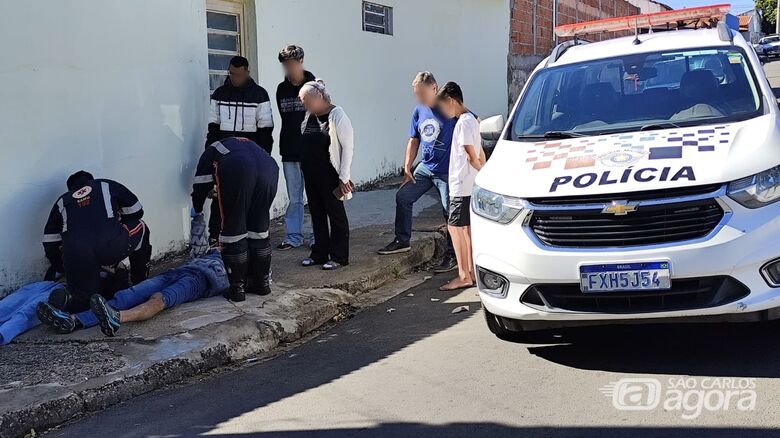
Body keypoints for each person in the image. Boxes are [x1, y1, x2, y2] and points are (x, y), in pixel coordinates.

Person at [35, 250, 228, 336]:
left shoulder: (242, 254)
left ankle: (117, 318)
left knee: (159, 299)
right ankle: (73, 320)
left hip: (200, 280)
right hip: (179, 271)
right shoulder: (223, 244)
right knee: (129, 294)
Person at [377, 72, 457, 274]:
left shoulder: (450, 106)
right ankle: (402, 240)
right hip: (425, 168)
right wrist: (407, 166)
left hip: (446, 171)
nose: (419, 98)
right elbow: (414, 140)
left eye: (422, 93)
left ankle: (453, 254)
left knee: (449, 211)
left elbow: (473, 122)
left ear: (434, 88)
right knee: (403, 197)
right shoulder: (419, 110)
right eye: (416, 94)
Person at [41, 171, 152, 313]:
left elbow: (49, 242)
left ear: (70, 188)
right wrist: (117, 224)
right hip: (112, 247)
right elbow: (136, 211)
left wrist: (63, 267)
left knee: (84, 301)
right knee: (141, 226)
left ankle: (69, 304)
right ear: (90, 180)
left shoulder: (62, 200)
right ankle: (139, 283)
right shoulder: (105, 185)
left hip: (78, 258)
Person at [190, 137, 279, 302]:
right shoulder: (247, 144)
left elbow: (200, 184)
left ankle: (237, 289)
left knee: (234, 231)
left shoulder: (211, 151)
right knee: (258, 229)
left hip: (239, 169)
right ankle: (262, 284)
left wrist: (197, 209)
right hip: (270, 169)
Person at [206, 55, 274, 244]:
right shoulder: (219, 94)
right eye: (232, 74)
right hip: (225, 155)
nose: (235, 78)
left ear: (247, 73)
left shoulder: (260, 95)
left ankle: (250, 236)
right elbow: (213, 128)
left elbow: (266, 131)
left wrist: (264, 158)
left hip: (251, 156)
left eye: (239, 74)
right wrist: (210, 154)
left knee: (249, 196)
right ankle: (215, 236)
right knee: (220, 196)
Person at [298, 80, 354, 270]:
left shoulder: (337, 115)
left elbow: (348, 148)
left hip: (330, 174)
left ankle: (339, 256)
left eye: (307, 102)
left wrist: (344, 177)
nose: (305, 106)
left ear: (319, 97)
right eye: (303, 103)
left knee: (335, 214)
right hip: (310, 173)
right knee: (316, 213)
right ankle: (319, 253)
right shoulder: (309, 116)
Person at [435, 82, 484, 291]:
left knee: (455, 228)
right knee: (465, 229)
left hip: (461, 184)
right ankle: (470, 272)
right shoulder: (472, 119)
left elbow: (471, 155)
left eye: (442, 106)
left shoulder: (464, 123)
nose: (442, 111)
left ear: (451, 100)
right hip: (468, 183)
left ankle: (464, 275)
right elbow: (480, 152)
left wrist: (482, 172)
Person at [276, 44, 316, 251]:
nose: (289, 68)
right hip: (289, 149)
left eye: (292, 63)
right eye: (285, 64)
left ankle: (318, 236)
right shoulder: (281, 89)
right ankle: (293, 236)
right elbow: (286, 119)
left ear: (301, 62)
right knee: (294, 198)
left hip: (312, 151)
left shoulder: (315, 87)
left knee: (315, 195)